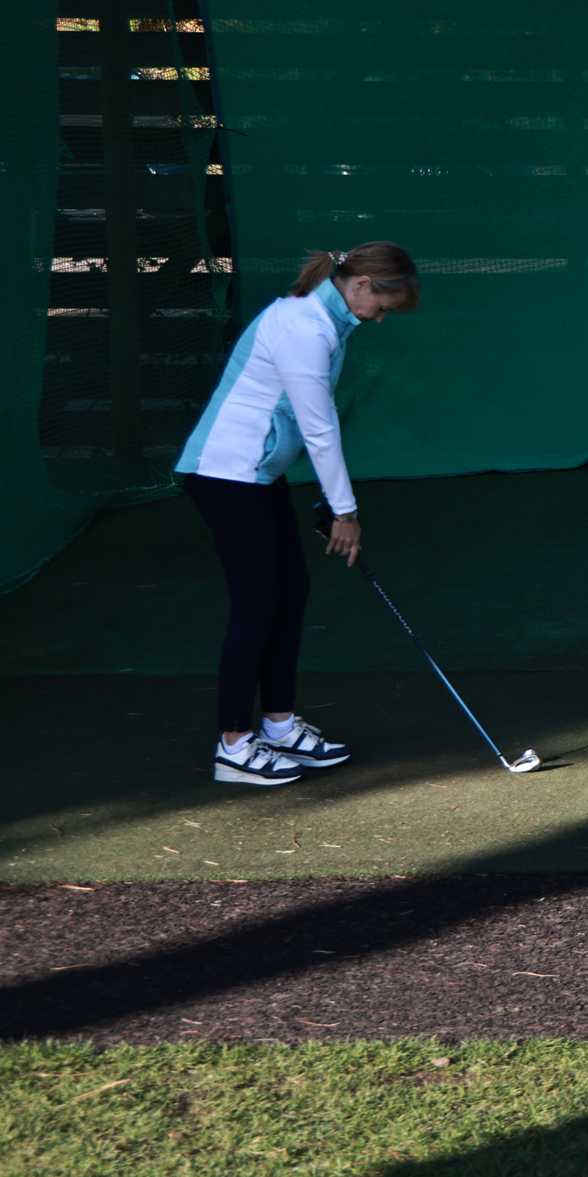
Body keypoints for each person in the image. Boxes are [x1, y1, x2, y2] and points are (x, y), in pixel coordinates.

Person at [175, 242, 422, 785]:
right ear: (361, 287)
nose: (381, 318)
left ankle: (281, 726)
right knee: (259, 602)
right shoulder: (304, 328)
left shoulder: (322, 322)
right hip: (225, 474)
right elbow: (318, 427)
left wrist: (334, 502)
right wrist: (345, 511)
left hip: (255, 473)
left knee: (291, 593)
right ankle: (235, 746)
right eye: (383, 307)